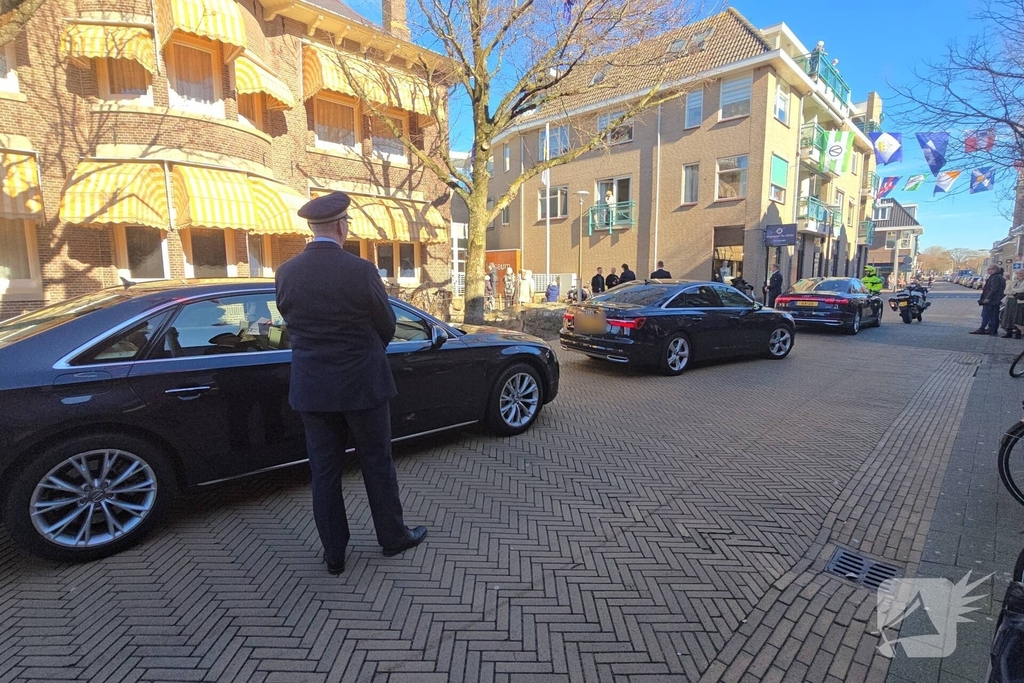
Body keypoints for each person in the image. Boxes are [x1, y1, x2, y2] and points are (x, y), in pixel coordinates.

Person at [275, 191, 426, 576]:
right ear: (342, 226)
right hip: (363, 386)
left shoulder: (286, 272)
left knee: (324, 473)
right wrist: (365, 352)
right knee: (377, 465)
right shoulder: (361, 270)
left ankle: (334, 554)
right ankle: (392, 538)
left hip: (312, 389)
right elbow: (387, 324)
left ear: (313, 228)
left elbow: (291, 323)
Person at [972, 264, 1006, 335]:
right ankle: (991, 329)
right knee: (993, 315)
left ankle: (984, 328)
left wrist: (988, 298)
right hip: (996, 300)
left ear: (993, 270)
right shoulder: (1000, 277)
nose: (987, 270)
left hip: (992, 301)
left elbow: (993, 289)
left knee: (987, 314)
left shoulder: (994, 278)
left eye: (989, 269)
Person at [1002, 270, 1024, 338]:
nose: (1021, 275)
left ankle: (1018, 333)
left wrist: (1013, 291)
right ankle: (1009, 332)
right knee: (1009, 316)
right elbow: (1005, 291)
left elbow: (1022, 290)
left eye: (1022, 273)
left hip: (1020, 302)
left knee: (1018, 317)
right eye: (1019, 273)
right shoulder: (1013, 282)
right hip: (1010, 301)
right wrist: (1015, 292)